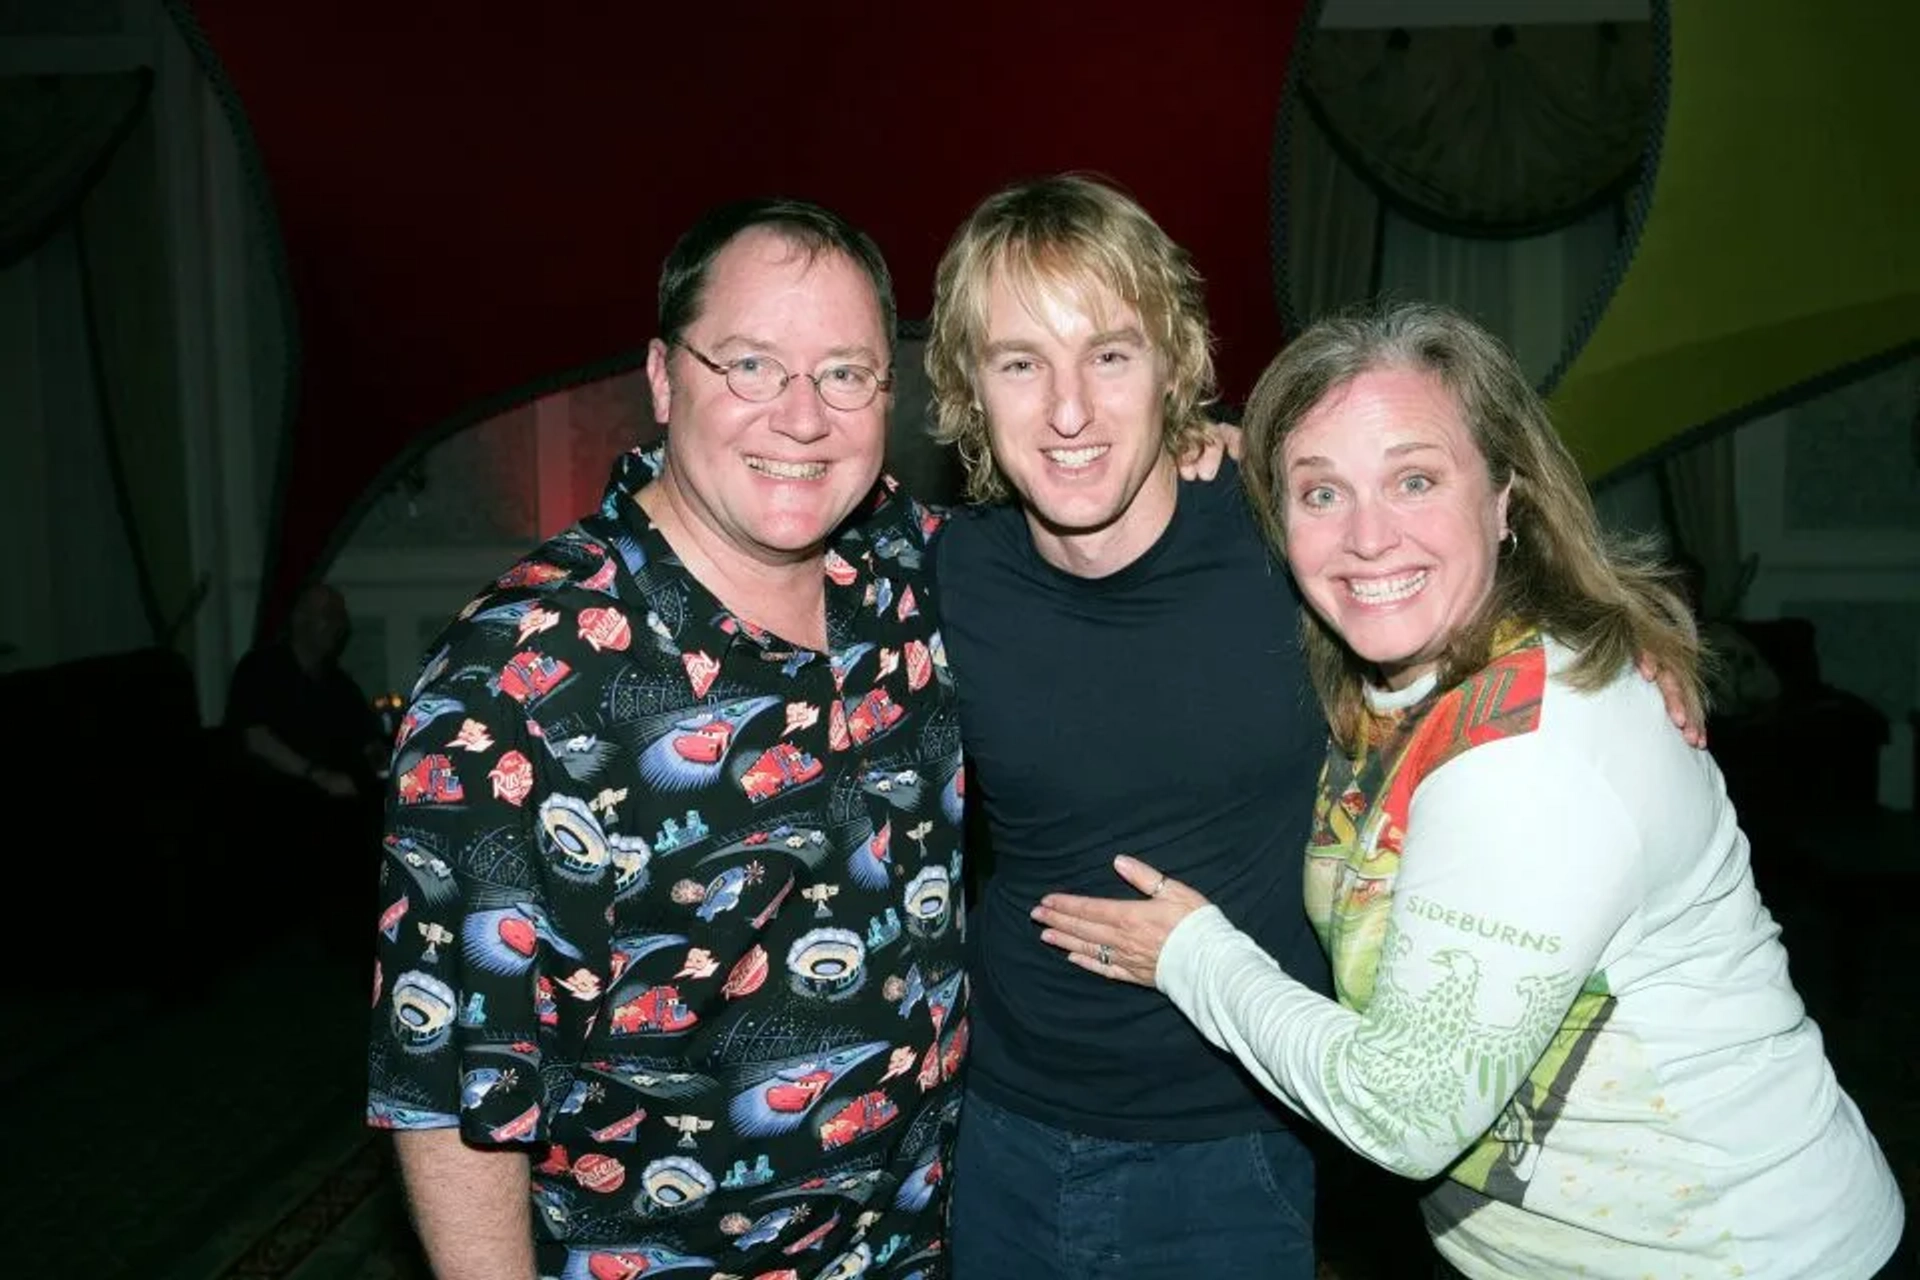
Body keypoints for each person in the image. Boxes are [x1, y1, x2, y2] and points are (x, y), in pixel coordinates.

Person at [1033, 300, 1908, 1278]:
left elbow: (1404, 1111)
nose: (1368, 534)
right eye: (1321, 494)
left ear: (1506, 497)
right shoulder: (1393, 674)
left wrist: (1192, 953)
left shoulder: (1537, 756)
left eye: (1415, 478)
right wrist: (1202, 447)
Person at [366, 199, 968, 1278]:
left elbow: (1091, 528)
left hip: (916, 1250)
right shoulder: (513, 688)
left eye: (845, 372)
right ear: (661, 377)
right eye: (749, 364)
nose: (801, 416)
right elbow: (450, 1087)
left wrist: (1195, 458)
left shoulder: (912, 576)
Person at [922, 173, 1334, 1279]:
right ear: (969, 385)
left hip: (1234, 1140)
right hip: (999, 1131)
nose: (1068, 411)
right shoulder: (939, 571)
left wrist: (1620, 652)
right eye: (1021, 362)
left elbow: (1479, 575)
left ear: (1177, 365)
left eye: (1109, 353)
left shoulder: (1289, 535)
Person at [225, 580, 386, 954]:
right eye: (329, 615)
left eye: (340, 617)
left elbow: (367, 742)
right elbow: (254, 737)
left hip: (339, 790)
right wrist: (316, 775)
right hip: (279, 792)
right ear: (300, 618)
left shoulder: (339, 685)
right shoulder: (262, 669)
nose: (338, 625)